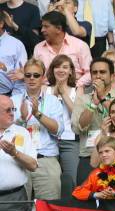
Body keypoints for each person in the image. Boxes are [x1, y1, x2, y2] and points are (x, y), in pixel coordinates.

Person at [12, 59, 64, 202]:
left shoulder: (53, 101)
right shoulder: (14, 100)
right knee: (21, 210)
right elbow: (6, 131)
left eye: (36, 75)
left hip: (46, 159)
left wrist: (37, 114)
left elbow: (58, 130)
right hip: (19, 160)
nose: (32, 78)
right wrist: (21, 119)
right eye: (28, 75)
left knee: (49, 209)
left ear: (43, 77)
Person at [71, 57, 115, 184]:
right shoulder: (82, 99)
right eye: (94, 72)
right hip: (89, 155)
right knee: (86, 201)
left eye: (102, 72)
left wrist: (102, 97)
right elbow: (77, 127)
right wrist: (92, 104)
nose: (98, 76)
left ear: (112, 75)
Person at [0, 95, 36, 211]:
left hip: (13, 197)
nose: (12, 113)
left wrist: (15, 153)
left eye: (13, 109)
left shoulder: (21, 132)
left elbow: (33, 165)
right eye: (7, 110)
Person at [33, 11, 92, 88]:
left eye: (46, 26)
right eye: (42, 26)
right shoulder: (38, 48)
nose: (42, 30)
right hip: (46, 93)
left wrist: (76, 87)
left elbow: (90, 73)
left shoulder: (80, 46)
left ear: (58, 29)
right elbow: (35, 74)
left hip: (75, 91)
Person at [46, 55, 79, 186]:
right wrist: (55, 94)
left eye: (65, 67)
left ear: (71, 71)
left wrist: (63, 93)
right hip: (48, 140)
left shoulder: (77, 90)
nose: (61, 70)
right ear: (52, 70)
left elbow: (77, 115)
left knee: (72, 180)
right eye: (57, 66)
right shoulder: (45, 89)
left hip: (69, 140)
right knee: (50, 180)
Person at [72, 135, 115, 201]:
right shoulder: (96, 173)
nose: (104, 155)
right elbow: (77, 192)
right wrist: (96, 194)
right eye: (100, 152)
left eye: (107, 151)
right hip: (101, 210)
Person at [0, 12, 27, 97]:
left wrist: (14, 100)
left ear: (1, 23)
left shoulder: (16, 45)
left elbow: (20, 77)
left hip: (7, 96)